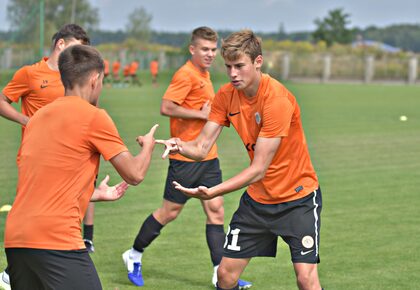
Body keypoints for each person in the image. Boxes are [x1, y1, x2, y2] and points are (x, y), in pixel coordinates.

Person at [164, 30, 324, 290]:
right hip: (258, 203)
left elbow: (258, 169)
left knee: (306, 279)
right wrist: (177, 145)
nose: (233, 74)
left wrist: (213, 191)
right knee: (225, 276)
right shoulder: (226, 96)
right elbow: (202, 147)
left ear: (257, 62)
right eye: (228, 67)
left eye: (239, 66)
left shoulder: (276, 100)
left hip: (298, 200)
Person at [4, 44, 159, 290]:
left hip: (16, 240)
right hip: (56, 239)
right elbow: (135, 173)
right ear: (95, 79)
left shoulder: (37, 119)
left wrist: (93, 193)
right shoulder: (94, 116)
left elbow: (42, 180)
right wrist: (148, 146)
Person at [122, 27, 252, 289]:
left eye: (213, 49)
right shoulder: (186, 74)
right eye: (205, 49)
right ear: (192, 49)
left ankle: (220, 273)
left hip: (208, 157)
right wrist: (201, 114)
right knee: (169, 212)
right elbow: (166, 106)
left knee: (216, 212)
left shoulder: (203, 74)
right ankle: (134, 254)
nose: (210, 54)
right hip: (185, 159)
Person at [0, 23, 98, 289]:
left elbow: (90, 108)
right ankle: (13, 271)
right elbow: (2, 101)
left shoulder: (77, 78)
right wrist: (26, 120)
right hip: (37, 158)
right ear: (61, 45)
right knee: (39, 212)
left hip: (72, 156)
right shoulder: (30, 74)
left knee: (75, 200)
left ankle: (84, 241)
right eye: (78, 49)